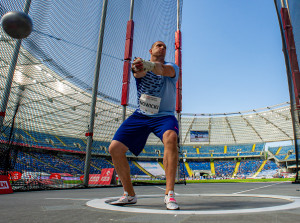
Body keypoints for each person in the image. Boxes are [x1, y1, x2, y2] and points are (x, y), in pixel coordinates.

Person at [108, 41, 180, 210]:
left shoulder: (172, 67)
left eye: (164, 46)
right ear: (151, 50)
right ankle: (129, 194)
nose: (162, 48)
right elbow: (138, 74)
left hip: (164, 116)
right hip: (141, 115)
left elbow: (162, 70)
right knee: (114, 148)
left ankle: (169, 193)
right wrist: (138, 67)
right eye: (159, 45)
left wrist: (147, 64)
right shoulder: (141, 66)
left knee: (171, 137)